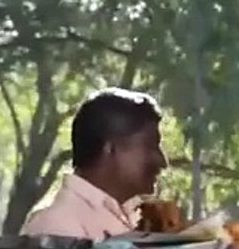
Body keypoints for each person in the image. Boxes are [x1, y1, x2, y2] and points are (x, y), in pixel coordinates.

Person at [20, 87, 168, 240]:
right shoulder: (57, 226)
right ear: (109, 148)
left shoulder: (133, 217)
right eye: (150, 146)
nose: (162, 162)